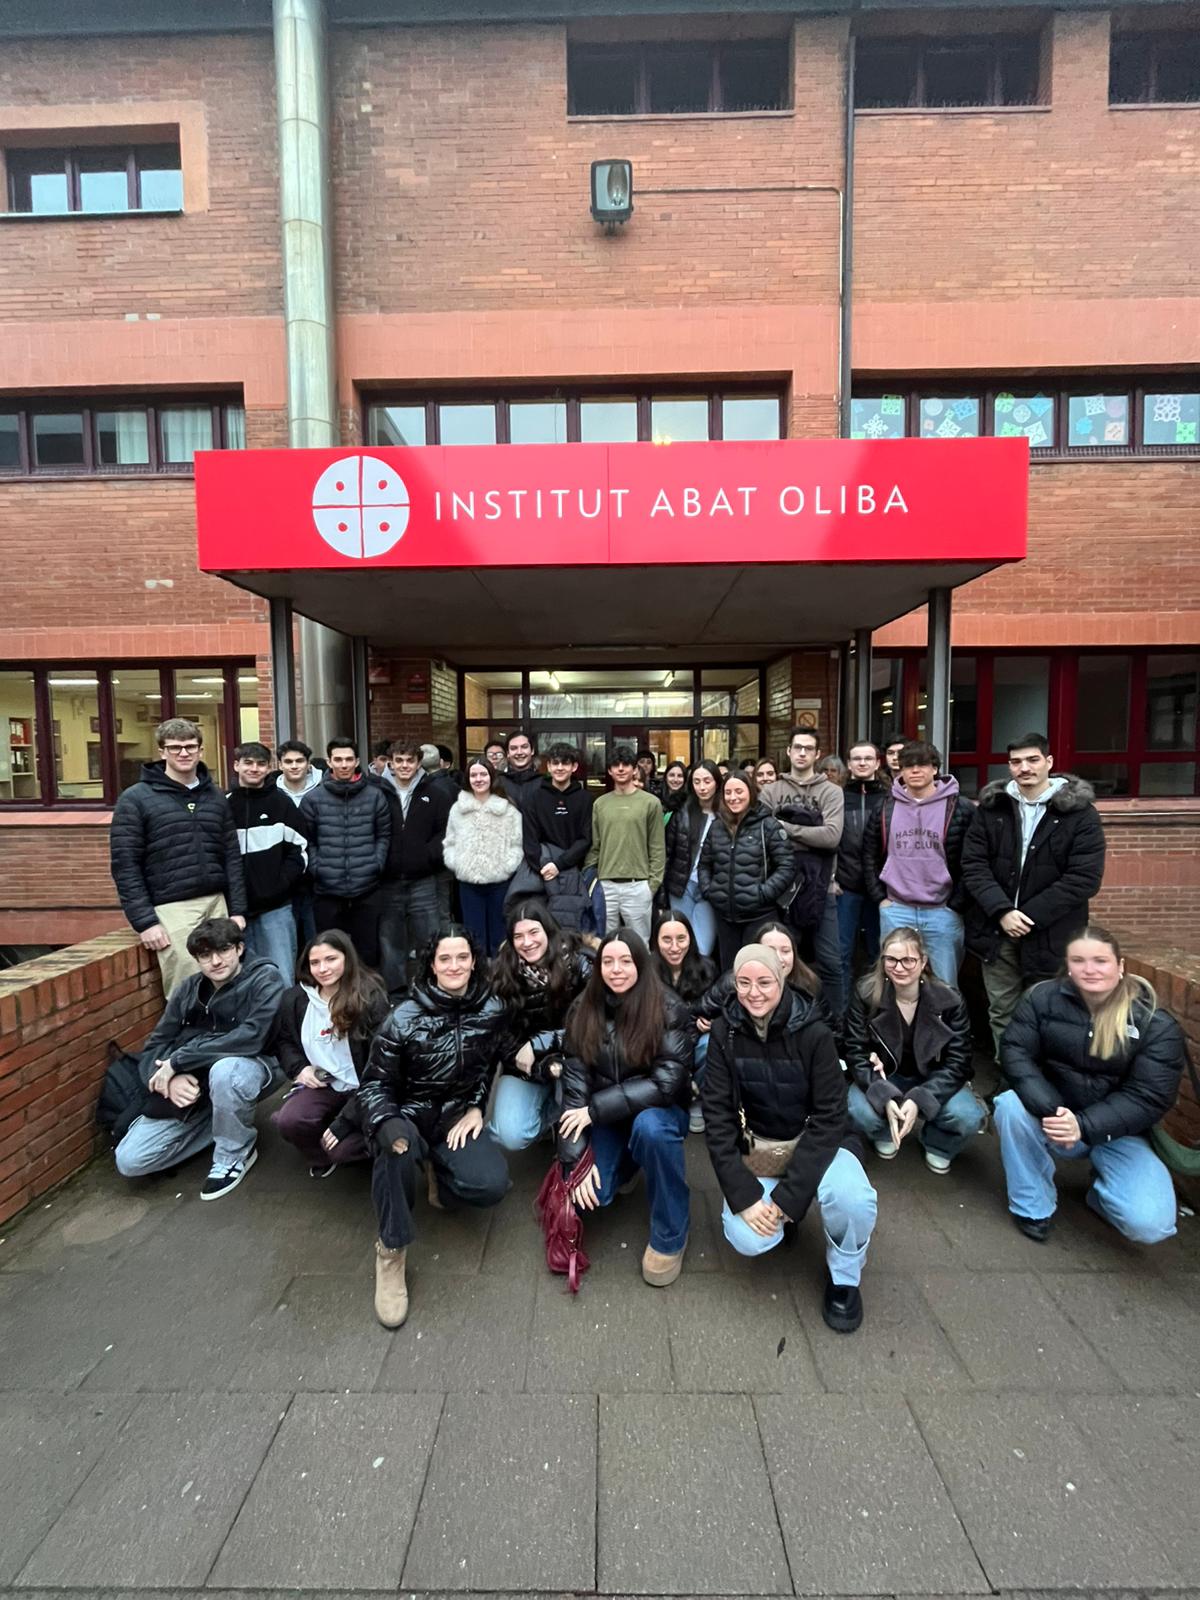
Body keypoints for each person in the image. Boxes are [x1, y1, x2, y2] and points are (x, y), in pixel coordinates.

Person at [337, 925, 511, 1327]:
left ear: (474, 961)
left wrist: (476, 1107)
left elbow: (488, 1066)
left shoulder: (492, 1008)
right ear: (432, 965)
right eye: (444, 958)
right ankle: (391, 1251)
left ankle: (439, 1177)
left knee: (491, 1185)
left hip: (453, 1118)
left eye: (462, 957)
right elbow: (374, 1084)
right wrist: (387, 1121)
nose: (454, 966)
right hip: (407, 1116)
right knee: (394, 1151)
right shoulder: (403, 1017)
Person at [701, 943, 877, 1334]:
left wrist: (789, 1198)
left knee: (853, 1199)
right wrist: (744, 1196)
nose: (754, 992)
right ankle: (783, 1219)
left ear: (781, 980)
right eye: (744, 982)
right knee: (746, 1235)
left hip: (821, 1143)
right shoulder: (724, 1032)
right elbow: (717, 1116)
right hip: (761, 1147)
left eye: (764, 982)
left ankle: (845, 1277)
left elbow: (831, 1116)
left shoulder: (814, 1032)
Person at [995, 926, 1186, 1245]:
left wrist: (1083, 1125)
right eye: (1079, 960)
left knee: (1150, 1225)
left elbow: (1149, 1096)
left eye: (1100, 960)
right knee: (1010, 1106)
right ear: (1068, 966)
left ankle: (1103, 1195)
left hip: (1120, 1133)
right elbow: (1015, 1051)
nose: (1089, 969)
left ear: (1120, 965)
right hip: (1055, 1115)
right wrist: (1054, 1110)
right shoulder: (1042, 998)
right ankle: (1033, 1206)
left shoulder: (1154, 1023)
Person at [113, 916, 285, 1198]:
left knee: (226, 1072)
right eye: (205, 955)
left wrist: (178, 1061)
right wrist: (168, 1081)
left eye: (224, 950)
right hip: (196, 1084)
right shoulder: (188, 989)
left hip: (257, 1064)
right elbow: (155, 1045)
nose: (215, 961)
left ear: (239, 948)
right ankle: (222, 1122)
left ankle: (234, 1153)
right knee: (130, 1161)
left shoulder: (265, 978)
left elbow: (253, 1036)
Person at [559, 929, 693, 1286]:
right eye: (608, 961)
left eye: (626, 961)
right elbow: (574, 1087)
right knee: (589, 1195)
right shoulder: (583, 1008)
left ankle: (671, 1232)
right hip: (607, 1118)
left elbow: (666, 1084)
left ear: (641, 964)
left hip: (659, 1113)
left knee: (650, 1130)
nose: (616, 969)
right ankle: (631, 1163)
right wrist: (574, 1161)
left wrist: (594, 1110)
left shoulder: (669, 1008)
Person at [961, 734, 1106, 1063]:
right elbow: (973, 865)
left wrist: (1027, 916)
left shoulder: (1080, 814)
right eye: (1016, 762)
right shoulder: (992, 809)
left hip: (1051, 934)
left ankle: (1040, 1081)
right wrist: (1002, 911)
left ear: (1049, 762)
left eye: (1032, 760)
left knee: (1049, 1013)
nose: (1024, 768)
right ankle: (1009, 1078)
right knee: (1002, 1011)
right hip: (997, 931)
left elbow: (1084, 878)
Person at [110, 717, 248, 995]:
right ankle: (187, 1027)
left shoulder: (215, 796)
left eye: (190, 746)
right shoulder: (135, 799)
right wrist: (145, 922)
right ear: (162, 752)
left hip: (217, 903)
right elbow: (125, 865)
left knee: (230, 983)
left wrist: (237, 910)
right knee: (187, 988)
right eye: (175, 747)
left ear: (200, 750)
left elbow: (231, 856)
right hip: (172, 909)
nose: (183, 753)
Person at [843, 926, 984, 1172]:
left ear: (923, 961)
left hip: (934, 1077)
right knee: (856, 1108)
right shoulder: (866, 994)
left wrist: (921, 1099)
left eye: (908, 960)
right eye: (891, 960)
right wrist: (884, 1095)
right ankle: (884, 1132)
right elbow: (855, 1050)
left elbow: (959, 1061)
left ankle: (939, 1143)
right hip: (885, 1076)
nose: (899, 967)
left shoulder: (950, 1000)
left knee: (967, 1116)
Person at [270, 929, 390, 1175]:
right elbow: (283, 1040)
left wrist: (346, 1121)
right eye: (314, 962)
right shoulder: (295, 998)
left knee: (344, 1149)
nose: (322, 968)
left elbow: (383, 1063)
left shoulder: (370, 996)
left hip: (366, 1087)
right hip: (325, 1084)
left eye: (331, 959)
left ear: (347, 958)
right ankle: (321, 1155)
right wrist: (300, 1068)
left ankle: (378, 1147)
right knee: (289, 1120)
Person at [862, 740, 974, 987]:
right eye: (908, 765)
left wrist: (956, 904)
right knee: (895, 983)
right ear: (900, 770)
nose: (914, 770)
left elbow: (973, 859)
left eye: (922, 764)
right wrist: (881, 899)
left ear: (935, 768)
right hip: (896, 909)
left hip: (942, 911)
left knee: (945, 986)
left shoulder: (959, 807)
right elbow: (869, 854)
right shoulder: (885, 806)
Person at [489, 900, 593, 1151]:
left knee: (581, 1101)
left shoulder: (578, 962)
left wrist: (541, 1043)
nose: (527, 942)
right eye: (518, 936)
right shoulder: (502, 973)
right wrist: (543, 1067)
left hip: (579, 1057)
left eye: (534, 932)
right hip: (526, 1066)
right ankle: (549, 1117)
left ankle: (572, 1121)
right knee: (511, 1134)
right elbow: (501, 1038)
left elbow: (594, 1024)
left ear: (548, 930)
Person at [761, 727, 845, 1017]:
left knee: (831, 962)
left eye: (808, 748)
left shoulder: (831, 792)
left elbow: (831, 836)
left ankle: (836, 1027)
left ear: (817, 754)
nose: (802, 753)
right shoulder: (771, 791)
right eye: (797, 747)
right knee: (778, 961)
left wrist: (786, 828)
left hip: (822, 888)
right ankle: (783, 1019)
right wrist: (810, 832)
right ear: (788, 751)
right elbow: (765, 835)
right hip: (782, 888)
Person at [299, 735, 392, 968]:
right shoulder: (313, 799)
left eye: (349, 759)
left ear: (357, 761)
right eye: (338, 759)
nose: (344, 765)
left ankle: (367, 992)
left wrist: (376, 864)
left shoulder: (375, 795)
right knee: (330, 955)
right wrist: (318, 869)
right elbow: (306, 841)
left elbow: (383, 835)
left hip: (367, 889)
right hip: (327, 891)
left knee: (368, 955)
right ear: (329, 762)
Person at [226, 741, 308, 978]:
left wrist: (279, 885)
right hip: (234, 911)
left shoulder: (282, 803)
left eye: (261, 764)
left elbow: (300, 850)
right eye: (248, 763)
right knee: (239, 979)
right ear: (236, 765)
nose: (254, 769)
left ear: (269, 767)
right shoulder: (224, 805)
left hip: (276, 909)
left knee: (281, 975)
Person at [377, 740, 452, 997]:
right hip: (387, 880)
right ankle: (395, 994)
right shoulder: (378, 792)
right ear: (391, 763)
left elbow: (446, 833)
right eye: (399, 760)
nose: (404, 765)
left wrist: (427, 857)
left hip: (424, 879)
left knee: (429, 938)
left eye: (410, 760)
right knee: (390, 941)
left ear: (419, 763)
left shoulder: (436, 793)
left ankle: (430, 989)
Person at [697, 770, 793, 970]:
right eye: (728, 792)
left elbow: (787, 866)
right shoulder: (717, 827)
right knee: (730, 972)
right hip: (725, 916)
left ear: (750, 791)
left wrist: (763, 893)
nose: (733, 797)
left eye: (739, 791)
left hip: (759, 916)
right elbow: (705, 864)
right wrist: (709, 890)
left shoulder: (768, 825)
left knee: (759, 969)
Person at [442, 757, 523, 955]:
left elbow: (517, 845)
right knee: (473, 936)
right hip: (468, 884)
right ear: (468, 779)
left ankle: (501, 972)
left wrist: (506, 867)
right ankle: (477, 972)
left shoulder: (508, 810)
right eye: (473, 775)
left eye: (483, 774)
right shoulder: (457, 809)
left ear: (491, 777)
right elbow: (449, 842)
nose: (478, 779)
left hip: (499, 883)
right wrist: (457, 863)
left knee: (500, 936)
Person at [585, 744, 666, 942]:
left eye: (626, 764)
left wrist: (651, 886)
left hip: (638, 885)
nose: (621, 769)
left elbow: (657, 847)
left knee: (640, 944)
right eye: (616, 765)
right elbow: (596, 846)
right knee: (605, 944)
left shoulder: (651, 803)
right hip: (606, 885)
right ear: (609, 770)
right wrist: (588, 878)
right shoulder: (600, 804)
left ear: (635, 769)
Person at [653, 908, 716, 1133]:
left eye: (681, 938)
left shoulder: (707, 967)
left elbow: (717, 1007)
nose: (674, 947)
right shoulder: (646, 971)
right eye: (667, 940)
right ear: (656, 940)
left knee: (712, 1043)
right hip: (661, 1042)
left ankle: (698, 1099)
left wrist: (712, 1022)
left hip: (696, 1039)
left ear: (690, 938)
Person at [835, 741, 888, 1006]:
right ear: (849, 763)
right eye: (857, 759)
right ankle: (843, 1013)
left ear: (877, 763)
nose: (863, 763)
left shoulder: (890, 797)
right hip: (846, 885)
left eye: (868, 758)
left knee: (878, 953)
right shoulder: (838, 796)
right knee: (842, 953)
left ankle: (877, 1011)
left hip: (882, 888)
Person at [521, 741, 594, 927]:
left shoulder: (586, 799)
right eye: (555, 763)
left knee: (572, 927)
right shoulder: (535, 798)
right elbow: (530, 838)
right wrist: (544, 866)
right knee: (542, 925)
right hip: (542, 874)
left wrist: (559, 865)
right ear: (548, 766)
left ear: (574, 767)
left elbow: (586, 838)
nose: (560, 768)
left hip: (574, 874)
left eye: (565, 763)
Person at [663, 758, 721, 958]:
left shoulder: (726, 814)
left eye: (707, 781)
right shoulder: (683, 812)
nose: (702, 787)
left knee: (704, 947)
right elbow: (668, 853)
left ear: (717, 782)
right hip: (681, 886)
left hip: (709, 889)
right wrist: (661, 895)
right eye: (697, 781)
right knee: (680, 945)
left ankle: (701, 977)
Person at [277, 738, 322, 947]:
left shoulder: (323, 790)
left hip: (318, 880)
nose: (294, 766)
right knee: (288, 943)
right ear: (280, 765)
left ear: (308, 764)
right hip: (284, 881)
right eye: (288, 761)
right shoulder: (272, 794)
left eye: (299, 761)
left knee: (318, 939)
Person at [501, 729, 542, 811]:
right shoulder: (498, 782)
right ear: (508, 753)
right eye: (513, 748)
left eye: (524, 747)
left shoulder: (544, 782)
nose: (519, 752)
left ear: (532, 751)